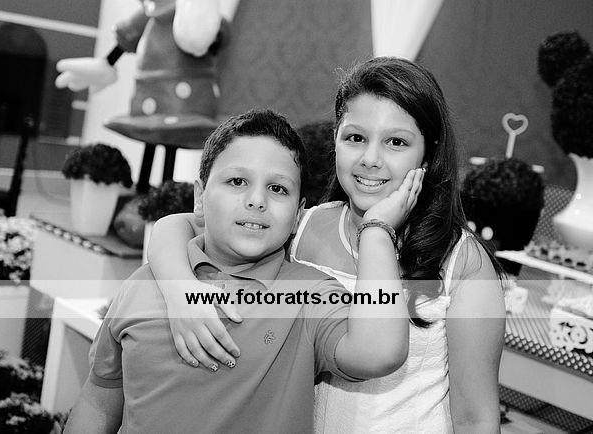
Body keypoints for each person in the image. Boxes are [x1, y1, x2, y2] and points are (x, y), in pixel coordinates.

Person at [148, 57, 506, 432]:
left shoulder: (463, 262)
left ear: (428, 155)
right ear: (335, 140)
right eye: (355, 138)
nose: (371, 159)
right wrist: (180, 291)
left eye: (396, 142)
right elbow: (177, 226)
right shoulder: (301, 227)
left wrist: (378, 229)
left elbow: (476, 418)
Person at [64, 109, 419, 433]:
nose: (256, 201)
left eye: (277, 189)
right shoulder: (144, 284)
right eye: (237, 182)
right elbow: (98, 400)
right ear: (200, 197)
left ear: (298, 214)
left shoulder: (310, 295)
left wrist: (376, 230)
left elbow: (380, 352)